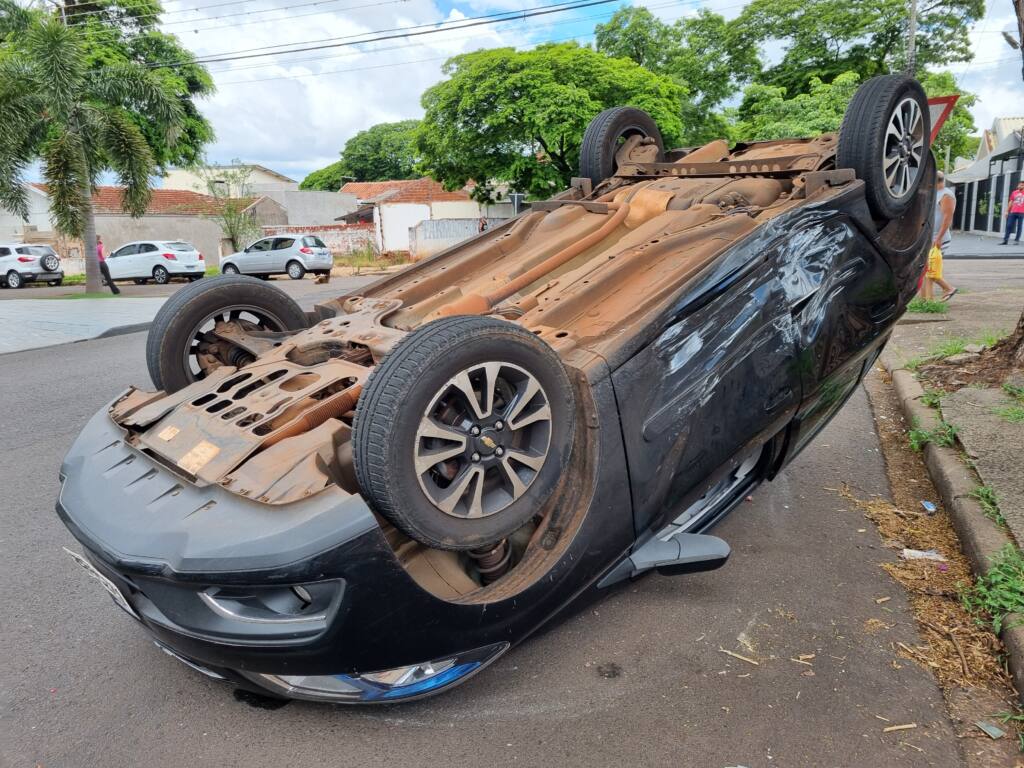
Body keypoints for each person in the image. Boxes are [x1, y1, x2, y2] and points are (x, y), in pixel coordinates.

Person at [923, 171, 957, 302]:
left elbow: (947, 219)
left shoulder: (946, 195)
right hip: (931, 236)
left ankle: (948, 288)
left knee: (930, 268)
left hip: (939, 237)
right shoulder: (934, 193)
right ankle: (925, 299)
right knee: (926, 268)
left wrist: (938, 239)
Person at [999, 180, 1024, 245]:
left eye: (1022, 185)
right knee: (1009, 225)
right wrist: (1007, 211)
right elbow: (1011, 202)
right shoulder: (1014, 192)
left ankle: (1016, 240)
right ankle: (1005, 240)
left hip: (1022, 212)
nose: (1020, 186)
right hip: (1013, 212)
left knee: (1019, 227)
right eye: (1019, 185)